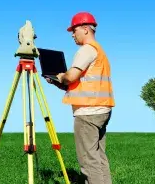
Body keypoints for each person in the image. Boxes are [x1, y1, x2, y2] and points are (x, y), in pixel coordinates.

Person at [45, 11, 114, 184]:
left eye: (74, 30)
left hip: (88, 113)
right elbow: (81, 84)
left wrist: (61, 76)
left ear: (85, 29)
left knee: (88, 161)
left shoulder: (87, 50)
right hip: (101, 110)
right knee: (98, 158)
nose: (72, 35)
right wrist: (56, 82)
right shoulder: (100, 51)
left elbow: (71, 77)